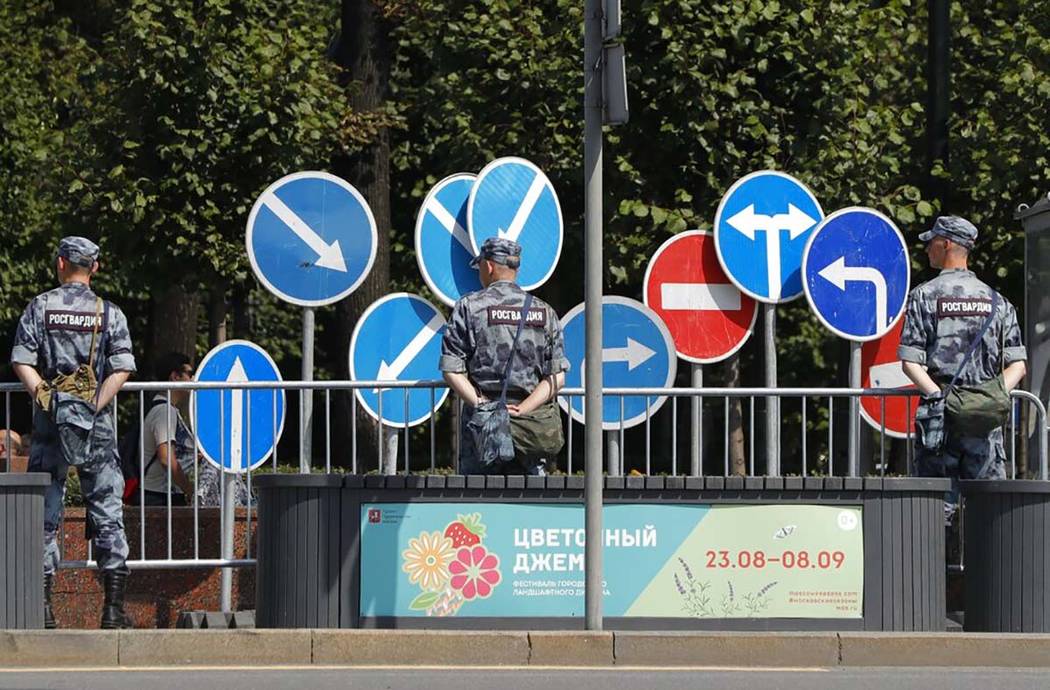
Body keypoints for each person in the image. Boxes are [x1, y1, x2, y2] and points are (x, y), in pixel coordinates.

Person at [10, 236, 137, 629]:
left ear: (62, 263)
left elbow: (21, 360)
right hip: (95, 426)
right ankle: (113, 609)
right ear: (94, 267)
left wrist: (48, 399)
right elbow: (123, 367)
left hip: (50, 426)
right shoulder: (108, 312)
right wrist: (93, 405)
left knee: (46, 513)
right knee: (107, 510)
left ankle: (45, 609)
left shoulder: (41, 306)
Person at [899, 216, 1028, 499]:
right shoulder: (997, 301)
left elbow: (910, 362)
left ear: (946, 244)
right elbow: (1017, 366)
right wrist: (987, 397)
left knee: (934, 510)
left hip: (940, 425)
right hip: (984, 424)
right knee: (987, 509)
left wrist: (939, 396)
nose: (926, 249)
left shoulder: (924, 297)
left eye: (931, 242)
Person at [440, 237, 569, 475]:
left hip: (482, 430)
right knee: (530, 501)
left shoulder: (469, 307)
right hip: (531, 428)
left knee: (479, 500)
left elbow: (452, 369)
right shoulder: (543, 311)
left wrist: (483, 405)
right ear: (515, 269)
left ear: (488, 266)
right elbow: (557, 377)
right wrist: (523, 409)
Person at [139, 352, 196, 506]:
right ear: (175, 377)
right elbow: (166, 458)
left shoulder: (166, 409)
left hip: (162, 494)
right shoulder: (165, 411)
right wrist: (189, 489)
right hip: (159, 498)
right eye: (189, 374)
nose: (193, 379)